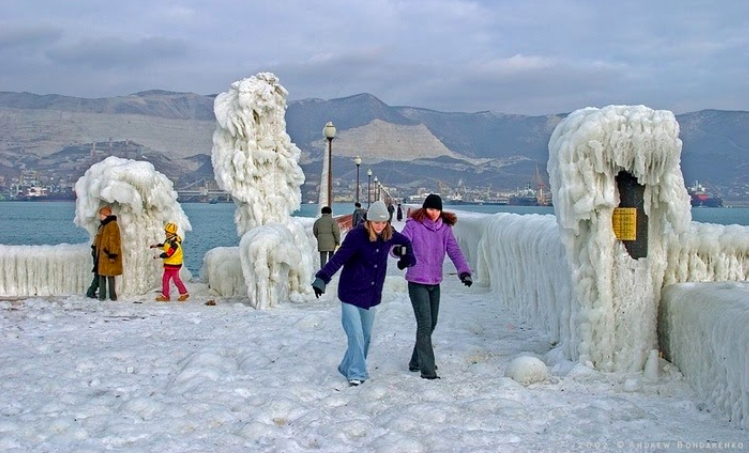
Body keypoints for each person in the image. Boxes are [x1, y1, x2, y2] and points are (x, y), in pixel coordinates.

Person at [312, 201, 416, 387]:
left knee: (366, 336)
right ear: (369, 221)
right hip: (350, 292)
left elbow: (406, 242)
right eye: (376, 222)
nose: (380, 226)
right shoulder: (356, 236)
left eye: (383, 222)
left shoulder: (388, 234)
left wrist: (406, 259)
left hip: (370, 295)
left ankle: (346, 366)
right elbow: (338, 258)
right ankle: (357, 373)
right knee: (356, 335)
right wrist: (322, 278)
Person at [397, 194, 472, 380]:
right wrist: (399, 250)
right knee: (424, 324)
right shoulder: (413, 225)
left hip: (435, 282)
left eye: (437, 209)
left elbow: (454, 251)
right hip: (416, 281)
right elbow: (399, 243)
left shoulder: (445, 229)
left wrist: (464, 272)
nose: (434, 213)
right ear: (424, 208)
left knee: (432, 323)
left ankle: (416, 361)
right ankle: (428, 370)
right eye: (431, 209)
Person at [150, 222, 189, 302]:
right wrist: (156, 246)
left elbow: (168, 254)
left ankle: (184, 293)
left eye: (166, 232)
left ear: (170, 233)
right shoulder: (169, 240)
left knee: (176, 280)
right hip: (168, 264)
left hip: (174, 265)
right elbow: (165, 246)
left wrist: (158, 256)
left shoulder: (175, 244)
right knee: (165, 279)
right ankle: (165, 296)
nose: (165, 233)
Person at [93, 205, 122, 301]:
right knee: (102, 275)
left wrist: (112, 254)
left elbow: (114, 240)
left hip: (108, 255)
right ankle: (102, 296)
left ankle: (112, 296)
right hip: (102, 256)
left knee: (110, 276)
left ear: (105, 215)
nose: (100, 216)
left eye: (101, 214)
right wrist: (94, 247)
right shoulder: (103, 225)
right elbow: (99, 238)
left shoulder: (112, 224)